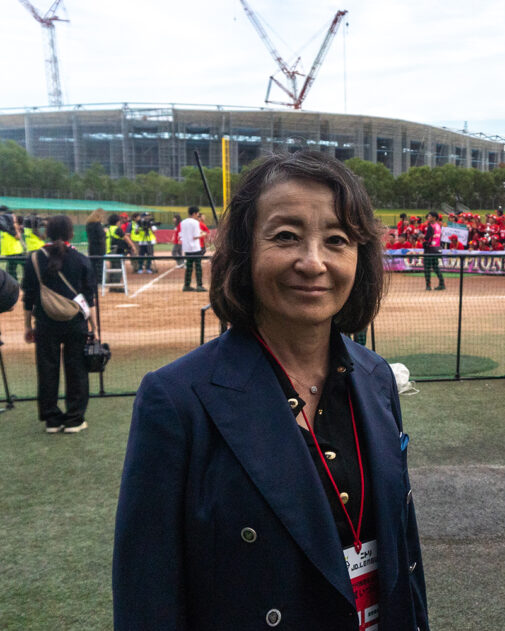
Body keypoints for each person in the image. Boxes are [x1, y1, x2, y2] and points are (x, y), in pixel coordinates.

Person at [113, 151, 429, 630]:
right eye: (286, 236)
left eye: (337, 240)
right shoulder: (176, 399)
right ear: (243, 250)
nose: (313, 262)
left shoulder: (377, 377)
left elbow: (402, 554)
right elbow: (148, 597)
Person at [21, 215, 97, 434]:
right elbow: (88, 299)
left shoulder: (34, 259)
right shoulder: (81, 259)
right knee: (77, 369)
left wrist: (28, 326)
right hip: (75, 322)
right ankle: (74, 418)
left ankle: (52, 419)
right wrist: (95, 328)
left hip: (45, 322)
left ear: (47, 232)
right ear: (71, 233)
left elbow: (29, 296)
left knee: (47, 369)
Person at [179, 205, 207, 291]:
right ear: (194, 213)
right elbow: (196, 236)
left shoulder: (183, 222)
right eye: (197, 213)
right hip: (195, 248)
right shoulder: (195, 223)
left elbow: (182, 235)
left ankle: (186, 285)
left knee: (189, 268)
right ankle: (199, 285)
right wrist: (204, 234)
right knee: (198, 267)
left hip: (187, 248)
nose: (198, 215)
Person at [423, 210, 445, 291]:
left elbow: (427, 238)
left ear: (434, 218)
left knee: (427, 268)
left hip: (429, 249)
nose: (428, 218)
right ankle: (442, 284)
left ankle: (428, 285)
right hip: (437, 249)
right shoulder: (438, 226)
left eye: (429, 216)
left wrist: (421, 236)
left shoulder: (431, 226)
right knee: (436, 267)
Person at [85, 208, 107, 281]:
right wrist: (105, 232)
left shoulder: (88, 224)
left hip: (91, 246)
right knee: (100, 264)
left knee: (92, 263)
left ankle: (92, 279)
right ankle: (100, 280)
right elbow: (101, 235)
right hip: (99, 247)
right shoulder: (97, 224)